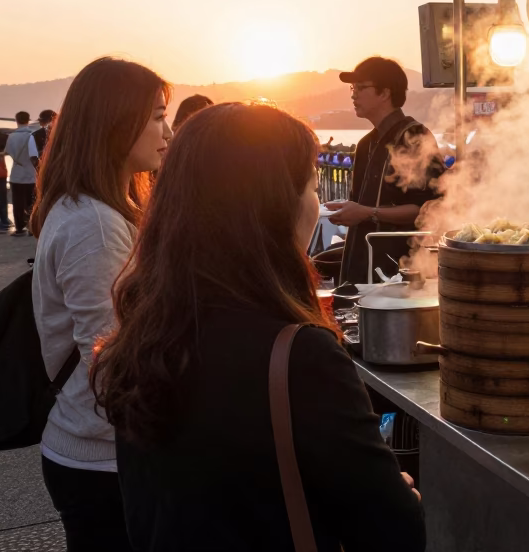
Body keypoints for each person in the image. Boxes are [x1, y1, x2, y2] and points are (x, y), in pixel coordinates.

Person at [92, 103, 426, 552]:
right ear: (274, 206)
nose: (316, 204)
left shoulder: (144, 330)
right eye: (311, 186)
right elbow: (394, 529)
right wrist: (400, 493)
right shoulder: (300, 354)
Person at [30, 58, 172, 551]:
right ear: (114, 121)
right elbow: (112, 364)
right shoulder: (93, 225)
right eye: (156, 116)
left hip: (96, 452)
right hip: (101, 460)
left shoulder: (95, 210)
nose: (168, 131)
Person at [327, 57, 444, 286]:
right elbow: (360, 206)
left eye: (361, 88)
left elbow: (426, 209)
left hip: (398, 271)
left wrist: (367, 213)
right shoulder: (365, 144)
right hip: (360, 263)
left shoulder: (414, 136)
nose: (353, 95)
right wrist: (349, 210)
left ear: (385, 93)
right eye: (353, 88)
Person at [5, 111, 39, 236]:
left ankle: (19, 228)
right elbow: (35, 155)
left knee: (17, 202)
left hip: (16, 174)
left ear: (16, 120)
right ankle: (32, 227)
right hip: (31, 174)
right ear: (28, 120)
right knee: (33, 202)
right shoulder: (32, 136)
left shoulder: (11, 136)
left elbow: (8, 152)